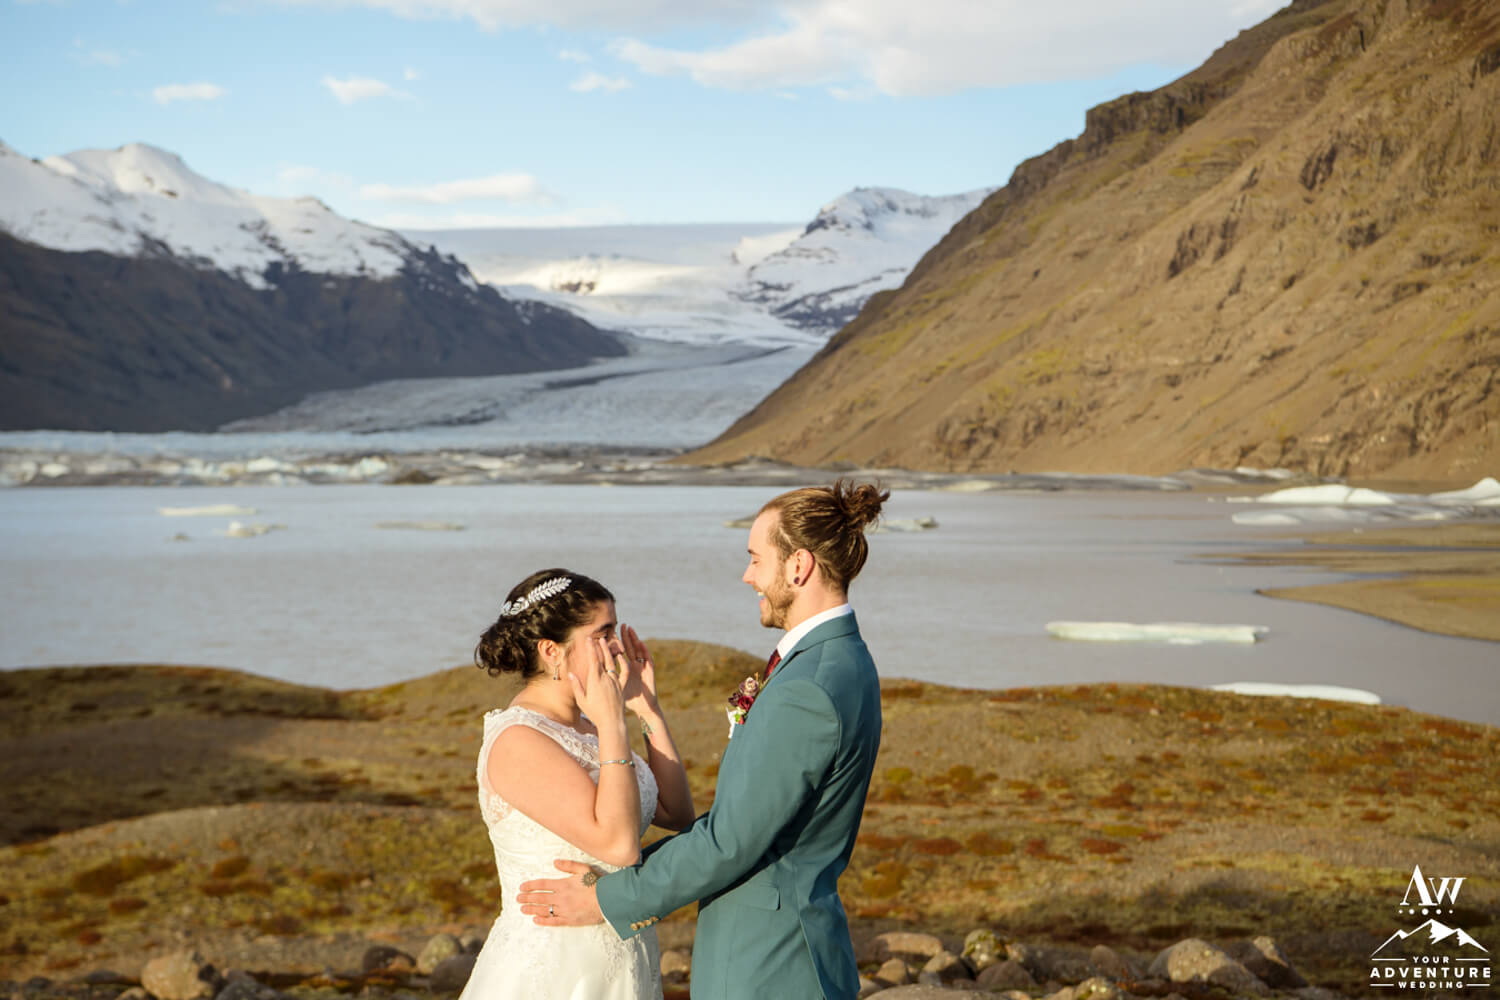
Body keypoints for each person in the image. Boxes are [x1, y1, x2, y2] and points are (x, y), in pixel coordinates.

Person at [517, 480, 889, 1000]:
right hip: (783, 949)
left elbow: (730, 841)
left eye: (756, 559)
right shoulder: (842, 660)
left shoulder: (807, 686)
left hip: (770, 965)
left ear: (798, 566)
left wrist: (606, 899)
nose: (747, 576)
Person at [461, 568, 695, 1000]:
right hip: (556, 965)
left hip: (624, 953)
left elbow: (677, 813)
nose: (616, 647)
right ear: (552, 651)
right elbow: (619, 845)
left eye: (615, 632)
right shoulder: (519, 739)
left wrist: (646, 708)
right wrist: (612, 723)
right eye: (602, 635)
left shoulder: (590, 727)